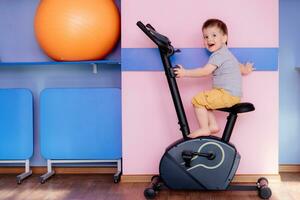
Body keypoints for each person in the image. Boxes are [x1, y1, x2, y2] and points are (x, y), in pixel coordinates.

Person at [174, 18, 254, 139]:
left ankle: (205, 128)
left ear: (224, 38)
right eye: (205, 37)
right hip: (232, 95)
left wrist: (185, 72)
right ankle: (213, 126)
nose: (209, 39)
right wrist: (246, 69)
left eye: (214, 35)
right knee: (206, 101)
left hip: (226, 94)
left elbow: (205, 71)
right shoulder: (227, 54)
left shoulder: (218, 55)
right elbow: (239, 67)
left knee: (197, 100)